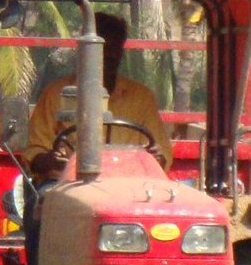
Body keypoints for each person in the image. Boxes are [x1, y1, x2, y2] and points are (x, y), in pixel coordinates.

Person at [22, 11, 171, 178]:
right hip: (67, 183)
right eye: (101, 49)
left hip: (128, 185)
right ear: (84, 51)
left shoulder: (142, 98)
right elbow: (34, 152)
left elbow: (162, 153)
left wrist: (156, 157)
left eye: (113, 48)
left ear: (121, 51)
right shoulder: (56, 93)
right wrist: (51, 160)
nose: (108, 55)